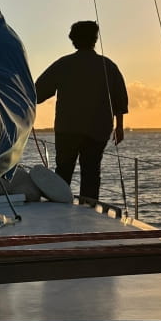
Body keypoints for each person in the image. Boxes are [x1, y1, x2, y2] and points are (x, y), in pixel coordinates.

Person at [35, 20, 128, 204]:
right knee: (92, 172)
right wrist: (119, 127)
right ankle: (89, 206)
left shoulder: (63, 65)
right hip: (97, 129)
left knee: (63, 171)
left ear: (73, 40)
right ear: (95, 39)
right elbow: (120, 98)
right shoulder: (108, 66)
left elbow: (38, 91)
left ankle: (59, 206)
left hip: (68, 129)